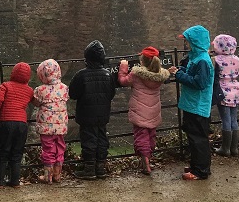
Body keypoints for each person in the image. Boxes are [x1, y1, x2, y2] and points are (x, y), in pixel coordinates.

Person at [168, 25, 214, 181]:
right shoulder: (197, 57)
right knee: (194, 137)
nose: (185, 44)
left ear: (194, 42)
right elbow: (192, 74)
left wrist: (179, 74)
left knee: (198, 138)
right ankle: (197, 166)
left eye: (187, 41)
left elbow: (199, 83)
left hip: (197, 105)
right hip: (192, 104)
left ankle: (201, 170)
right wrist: (181, 69)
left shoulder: (202, 60)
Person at [69, 40, 117, 180]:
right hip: (102, 113)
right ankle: (100, 167)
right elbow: (111, 93)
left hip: (86, 113)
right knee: (102, 138)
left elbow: (73, 94)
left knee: (89, 139)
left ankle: (89, 168)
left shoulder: (81, 75)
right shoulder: (107, 75)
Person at [118, 47, 169, 174]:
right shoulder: (160, 76)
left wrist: (123, 67)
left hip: (140, 110)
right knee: (151, 134)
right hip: (154, 109)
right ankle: (148, 157)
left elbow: (123, 81)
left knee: (141, 134)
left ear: (142, 61)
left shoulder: (136, 74)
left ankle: (145, 161)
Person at [0, 62, 34, 188]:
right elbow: (34, 100)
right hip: (22, 124)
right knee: (17, 152)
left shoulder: (6, 86)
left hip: (7, 122)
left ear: (13, 73)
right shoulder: (29, 90)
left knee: (3, 151)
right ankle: (15, 181)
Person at [33, 59, 69, 184]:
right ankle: (57, 175)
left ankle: (48, 176)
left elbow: (36, 102)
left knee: (48, 150)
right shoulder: (64, 88)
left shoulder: (40, 90)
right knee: (60, 148)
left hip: (46, 127)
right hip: (60, 127)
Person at [210, 34, 239, 157]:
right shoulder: (236, 59)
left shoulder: (216, 60)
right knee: (234, 120)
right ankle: (234, 148)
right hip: (235, 90)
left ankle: (225, 148)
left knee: (226, 120)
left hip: (222, 91)